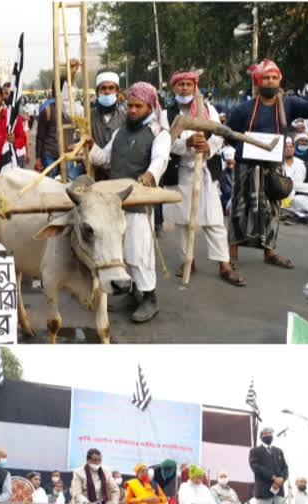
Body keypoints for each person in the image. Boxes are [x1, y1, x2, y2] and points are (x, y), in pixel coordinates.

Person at [225, 58, 308, 270]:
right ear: (258, 82)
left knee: (272, 210)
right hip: (246, 168)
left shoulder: (287, 104)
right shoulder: (244, 109)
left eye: (274, 78)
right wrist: (245, 149)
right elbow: (229, 133)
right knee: (241, 208)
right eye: (266, 78)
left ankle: (270, 251)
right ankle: (232, 253)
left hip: (273, 167)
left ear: (279, 80)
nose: (270, 81)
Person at [88, 82, 171, 323]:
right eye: (130, 105)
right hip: (116, 205)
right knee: (122, 252)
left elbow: (160, 160)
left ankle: (150, 298)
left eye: (139, 106)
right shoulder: (119, 133)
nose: (133, 110)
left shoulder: (159, 133)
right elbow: (104, 159)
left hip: (139, 202)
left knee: (139, 252)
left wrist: (149, 176)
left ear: (150, 107)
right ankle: (134, 293)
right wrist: (89, 146)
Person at [160, 70, 245, 286]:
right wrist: (185, 144)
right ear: (174, 89)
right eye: (181, 85)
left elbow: (220, 133)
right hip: (179, 171)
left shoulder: (209, 109)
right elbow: (163, 140)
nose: (185, 88)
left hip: (205, 169)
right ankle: (187, 260)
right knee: (182, 221)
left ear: (195, 87)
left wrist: (208, 146)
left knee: (214, 220)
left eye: (189, 84)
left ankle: (223, 264)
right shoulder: (166, 114)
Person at [34, 78, 76, 179]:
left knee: (69, 183)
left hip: (68, 155)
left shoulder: (75, 112)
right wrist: (38, 158)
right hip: (49, 155)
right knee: (50, 185)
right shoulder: (47, 111)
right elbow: (40, 137)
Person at [91, 71, 126, 180]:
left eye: (111, 88)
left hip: (119, 175)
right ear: (97, 92)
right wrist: (71, 76)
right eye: (103, 88)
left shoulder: (125, 116)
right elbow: (68, 109)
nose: (107, 92)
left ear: (117, 92)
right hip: (94, 174)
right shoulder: (88, 115)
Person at [249, 427, 289, 504]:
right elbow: (256, 467)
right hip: (264, 492)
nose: (268, 435)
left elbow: (285, 468)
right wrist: (273, 478)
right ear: (261, 437)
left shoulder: (278, 451)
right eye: (266, 434)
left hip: (278, 491)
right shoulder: (255, 451)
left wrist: (281, 479)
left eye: (270, 433)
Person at [220, 147, 236, 215]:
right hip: (227, 200)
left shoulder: (237, 171)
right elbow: (226, 191)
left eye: (232, 163)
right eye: (229, 163)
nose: (230, 165)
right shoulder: (224, 174)